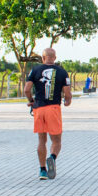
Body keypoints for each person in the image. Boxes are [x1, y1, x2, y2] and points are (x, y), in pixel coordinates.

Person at [25, 48, 72, 180]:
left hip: (39, 109)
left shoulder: (35, 70)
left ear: (42, 57)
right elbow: (67, 93)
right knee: (56, 141)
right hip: (53, 108)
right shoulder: (62, 72)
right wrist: (68, 101)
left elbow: (26, 89)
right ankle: (52, 157)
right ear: (55, 58)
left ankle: (42, 170)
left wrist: (31, 101)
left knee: (41, 140)